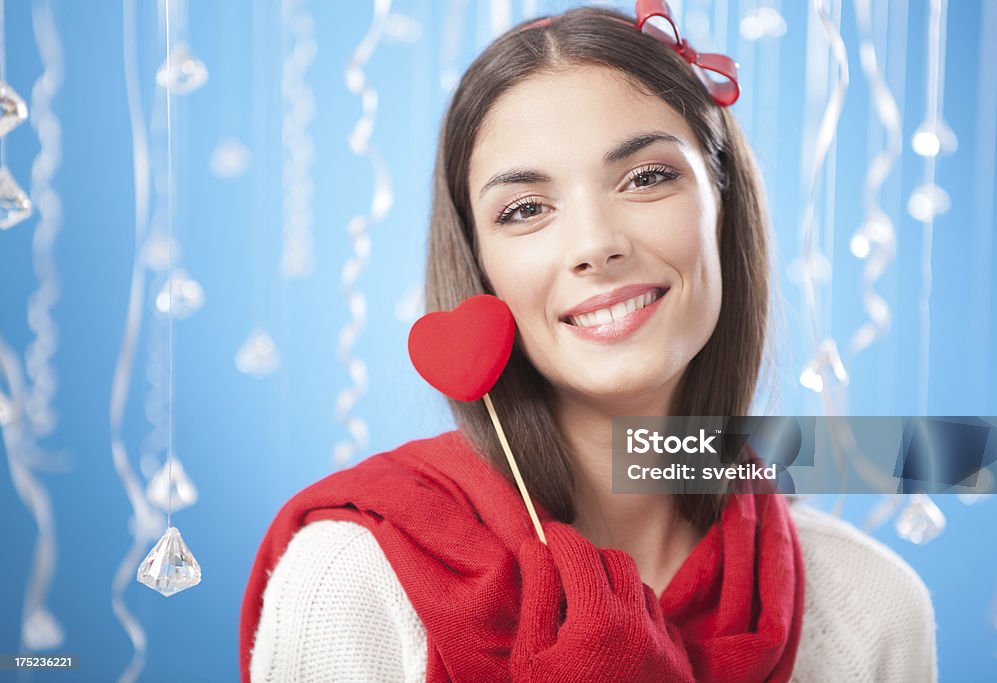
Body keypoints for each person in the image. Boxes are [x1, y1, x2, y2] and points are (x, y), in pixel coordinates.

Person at [240, 3, 937, 681]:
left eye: (647, 177)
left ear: (722, 206)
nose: (596, 245)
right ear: (479, 266)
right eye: (525, 209)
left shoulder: (872, 606)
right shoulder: (353, 576)